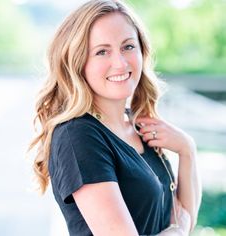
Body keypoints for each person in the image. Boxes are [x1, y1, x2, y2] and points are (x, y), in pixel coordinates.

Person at [29, 0, 202, 235]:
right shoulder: (78, 137)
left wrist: (187, 150)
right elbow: (181, 224)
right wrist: (180, 230)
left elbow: (183, 216)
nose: (120, 63)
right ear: (78, 63)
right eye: (102, 51)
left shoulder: (139, 125)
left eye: (128, 47)